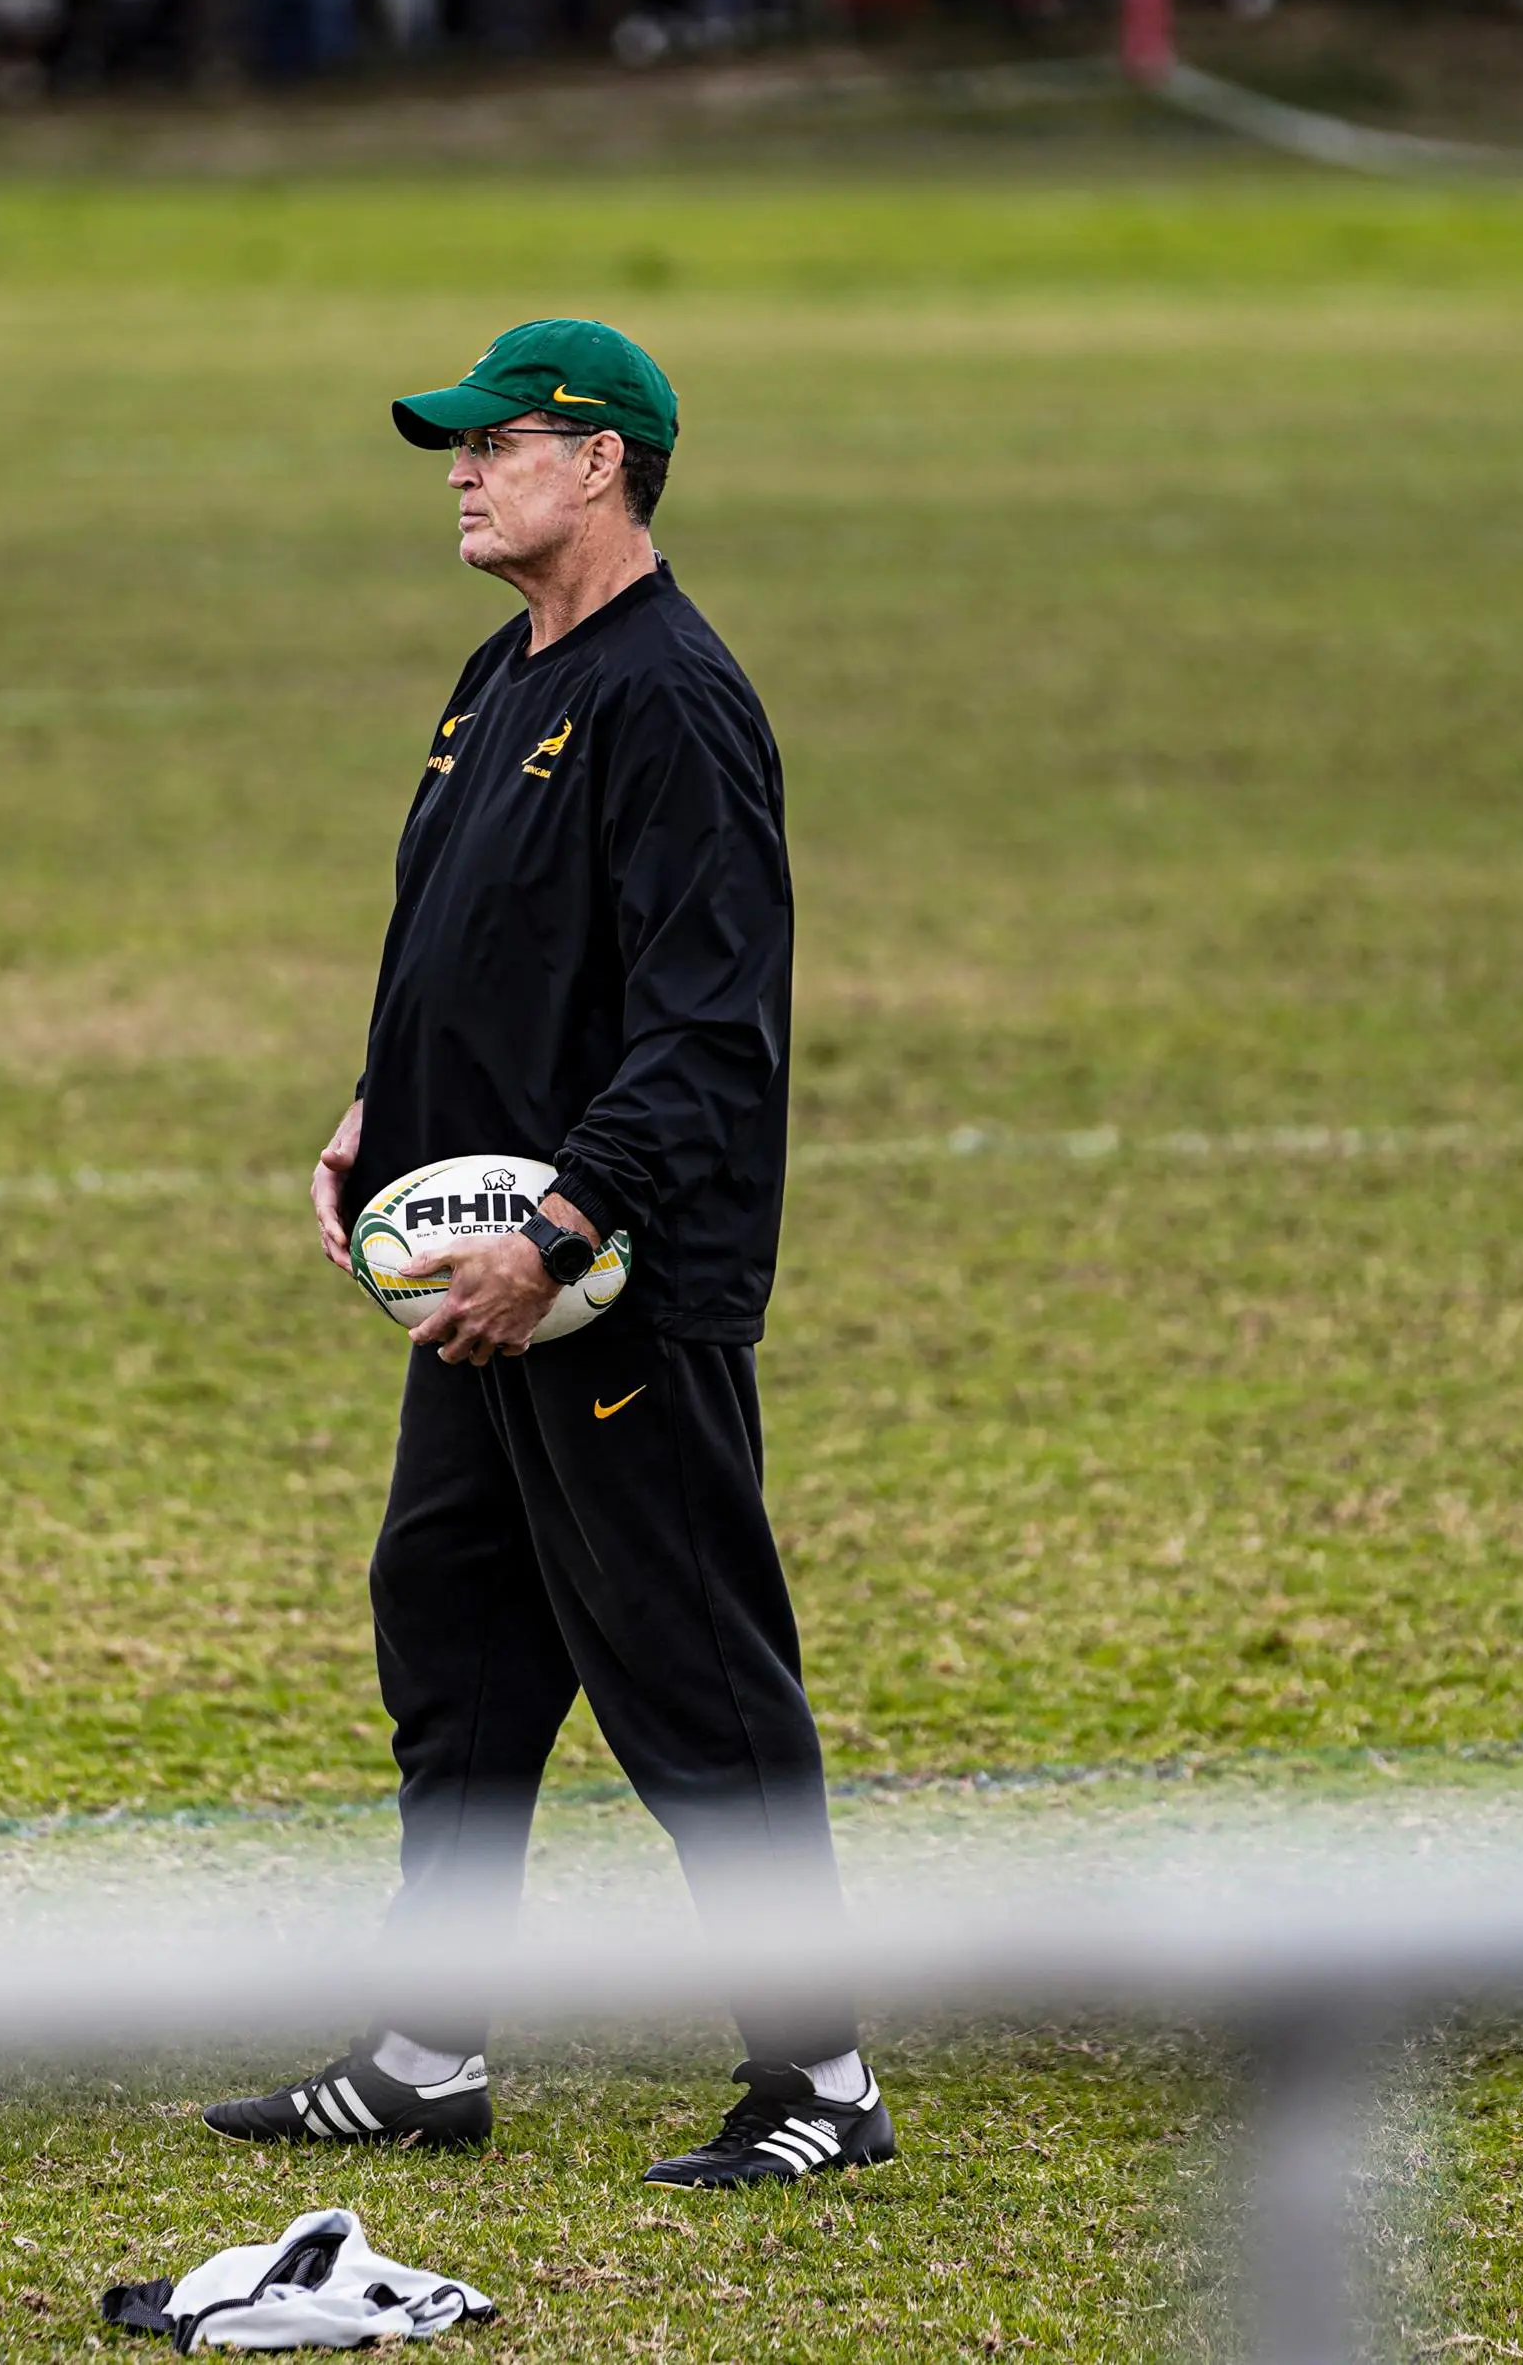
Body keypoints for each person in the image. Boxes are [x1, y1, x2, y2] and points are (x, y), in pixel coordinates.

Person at [199, 321, 896, 2195]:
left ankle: (820, 2071)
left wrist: (564, 1223)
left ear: (603, 462)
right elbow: (463, 944)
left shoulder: (672, 699)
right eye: (459, 443)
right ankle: (430, 2047)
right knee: (458, 1635)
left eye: (498, 440)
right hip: (483, 1288)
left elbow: (707, 1022)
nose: (461, 466)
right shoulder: (498, 674)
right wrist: (378, 1106)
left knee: (689, 1665)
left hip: (609, 1284)